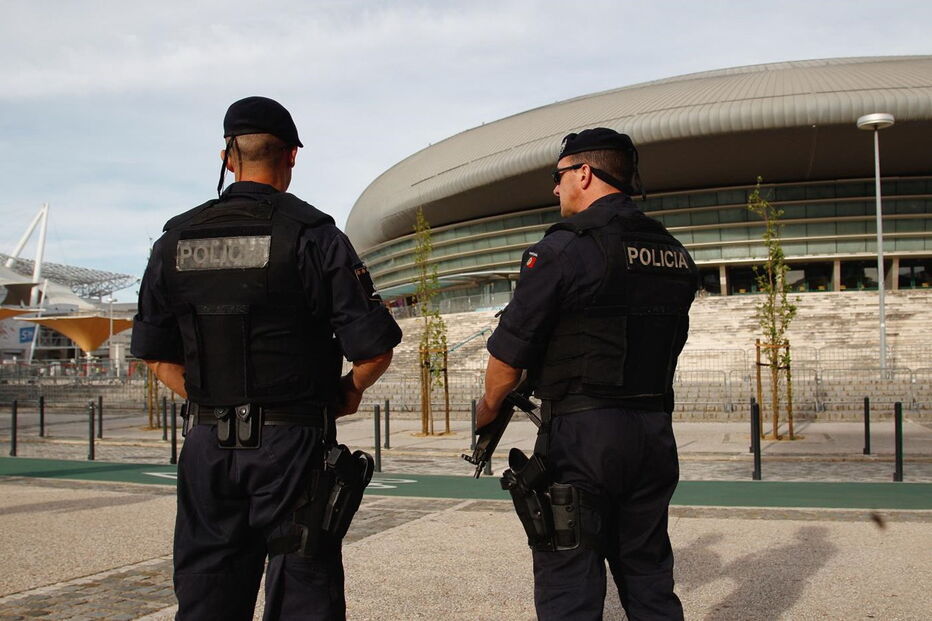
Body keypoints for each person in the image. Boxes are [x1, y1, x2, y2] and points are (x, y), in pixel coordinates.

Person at [131, 96, 402, 620]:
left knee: (207, 590)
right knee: (303, 585)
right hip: (293, 443)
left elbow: (157, 357)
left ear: (228, 157)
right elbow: (374, 349)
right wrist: (346, 395)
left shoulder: (174, 240)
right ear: (292, 156)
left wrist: (212, 401)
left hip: (208, 444)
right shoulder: (315, 236)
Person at [476, 128, 698, 620]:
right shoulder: (674, 254)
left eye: (557, 177)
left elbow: (507, 360)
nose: (555, 189)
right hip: (653, 433)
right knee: (649, 578)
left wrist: (487, 410)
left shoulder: (564, 249)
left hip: (584, 436)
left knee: (569, 583)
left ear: (584, 172)